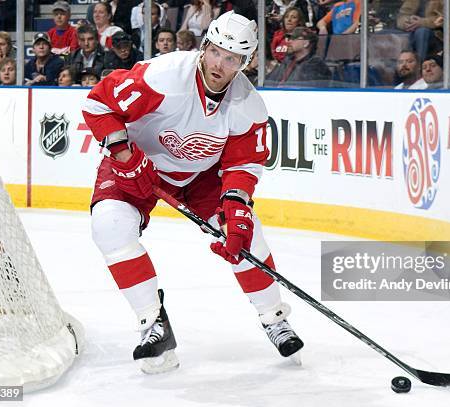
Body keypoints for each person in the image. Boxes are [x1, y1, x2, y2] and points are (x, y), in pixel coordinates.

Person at [81, 10, 304, 374]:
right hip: (138, 161)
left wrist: (237, 208)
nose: (219, 64)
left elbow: (242, 165)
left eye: (231, 58)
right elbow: (98, 104)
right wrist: (123, 153)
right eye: (216, 51)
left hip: (202, 176)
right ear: (205, 46)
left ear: (244, 64)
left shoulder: (248, 106)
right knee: (108, 225)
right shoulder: (162, 76)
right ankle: (152, 322)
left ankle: (274, 317)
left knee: (245, 236)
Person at [265, 26, 331, 87]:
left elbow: (303, 89)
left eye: (294, 38)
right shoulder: (288, 60)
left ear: (306, 43)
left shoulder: (315, 64)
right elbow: (271, 81)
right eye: (290, 38)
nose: (289, 42)